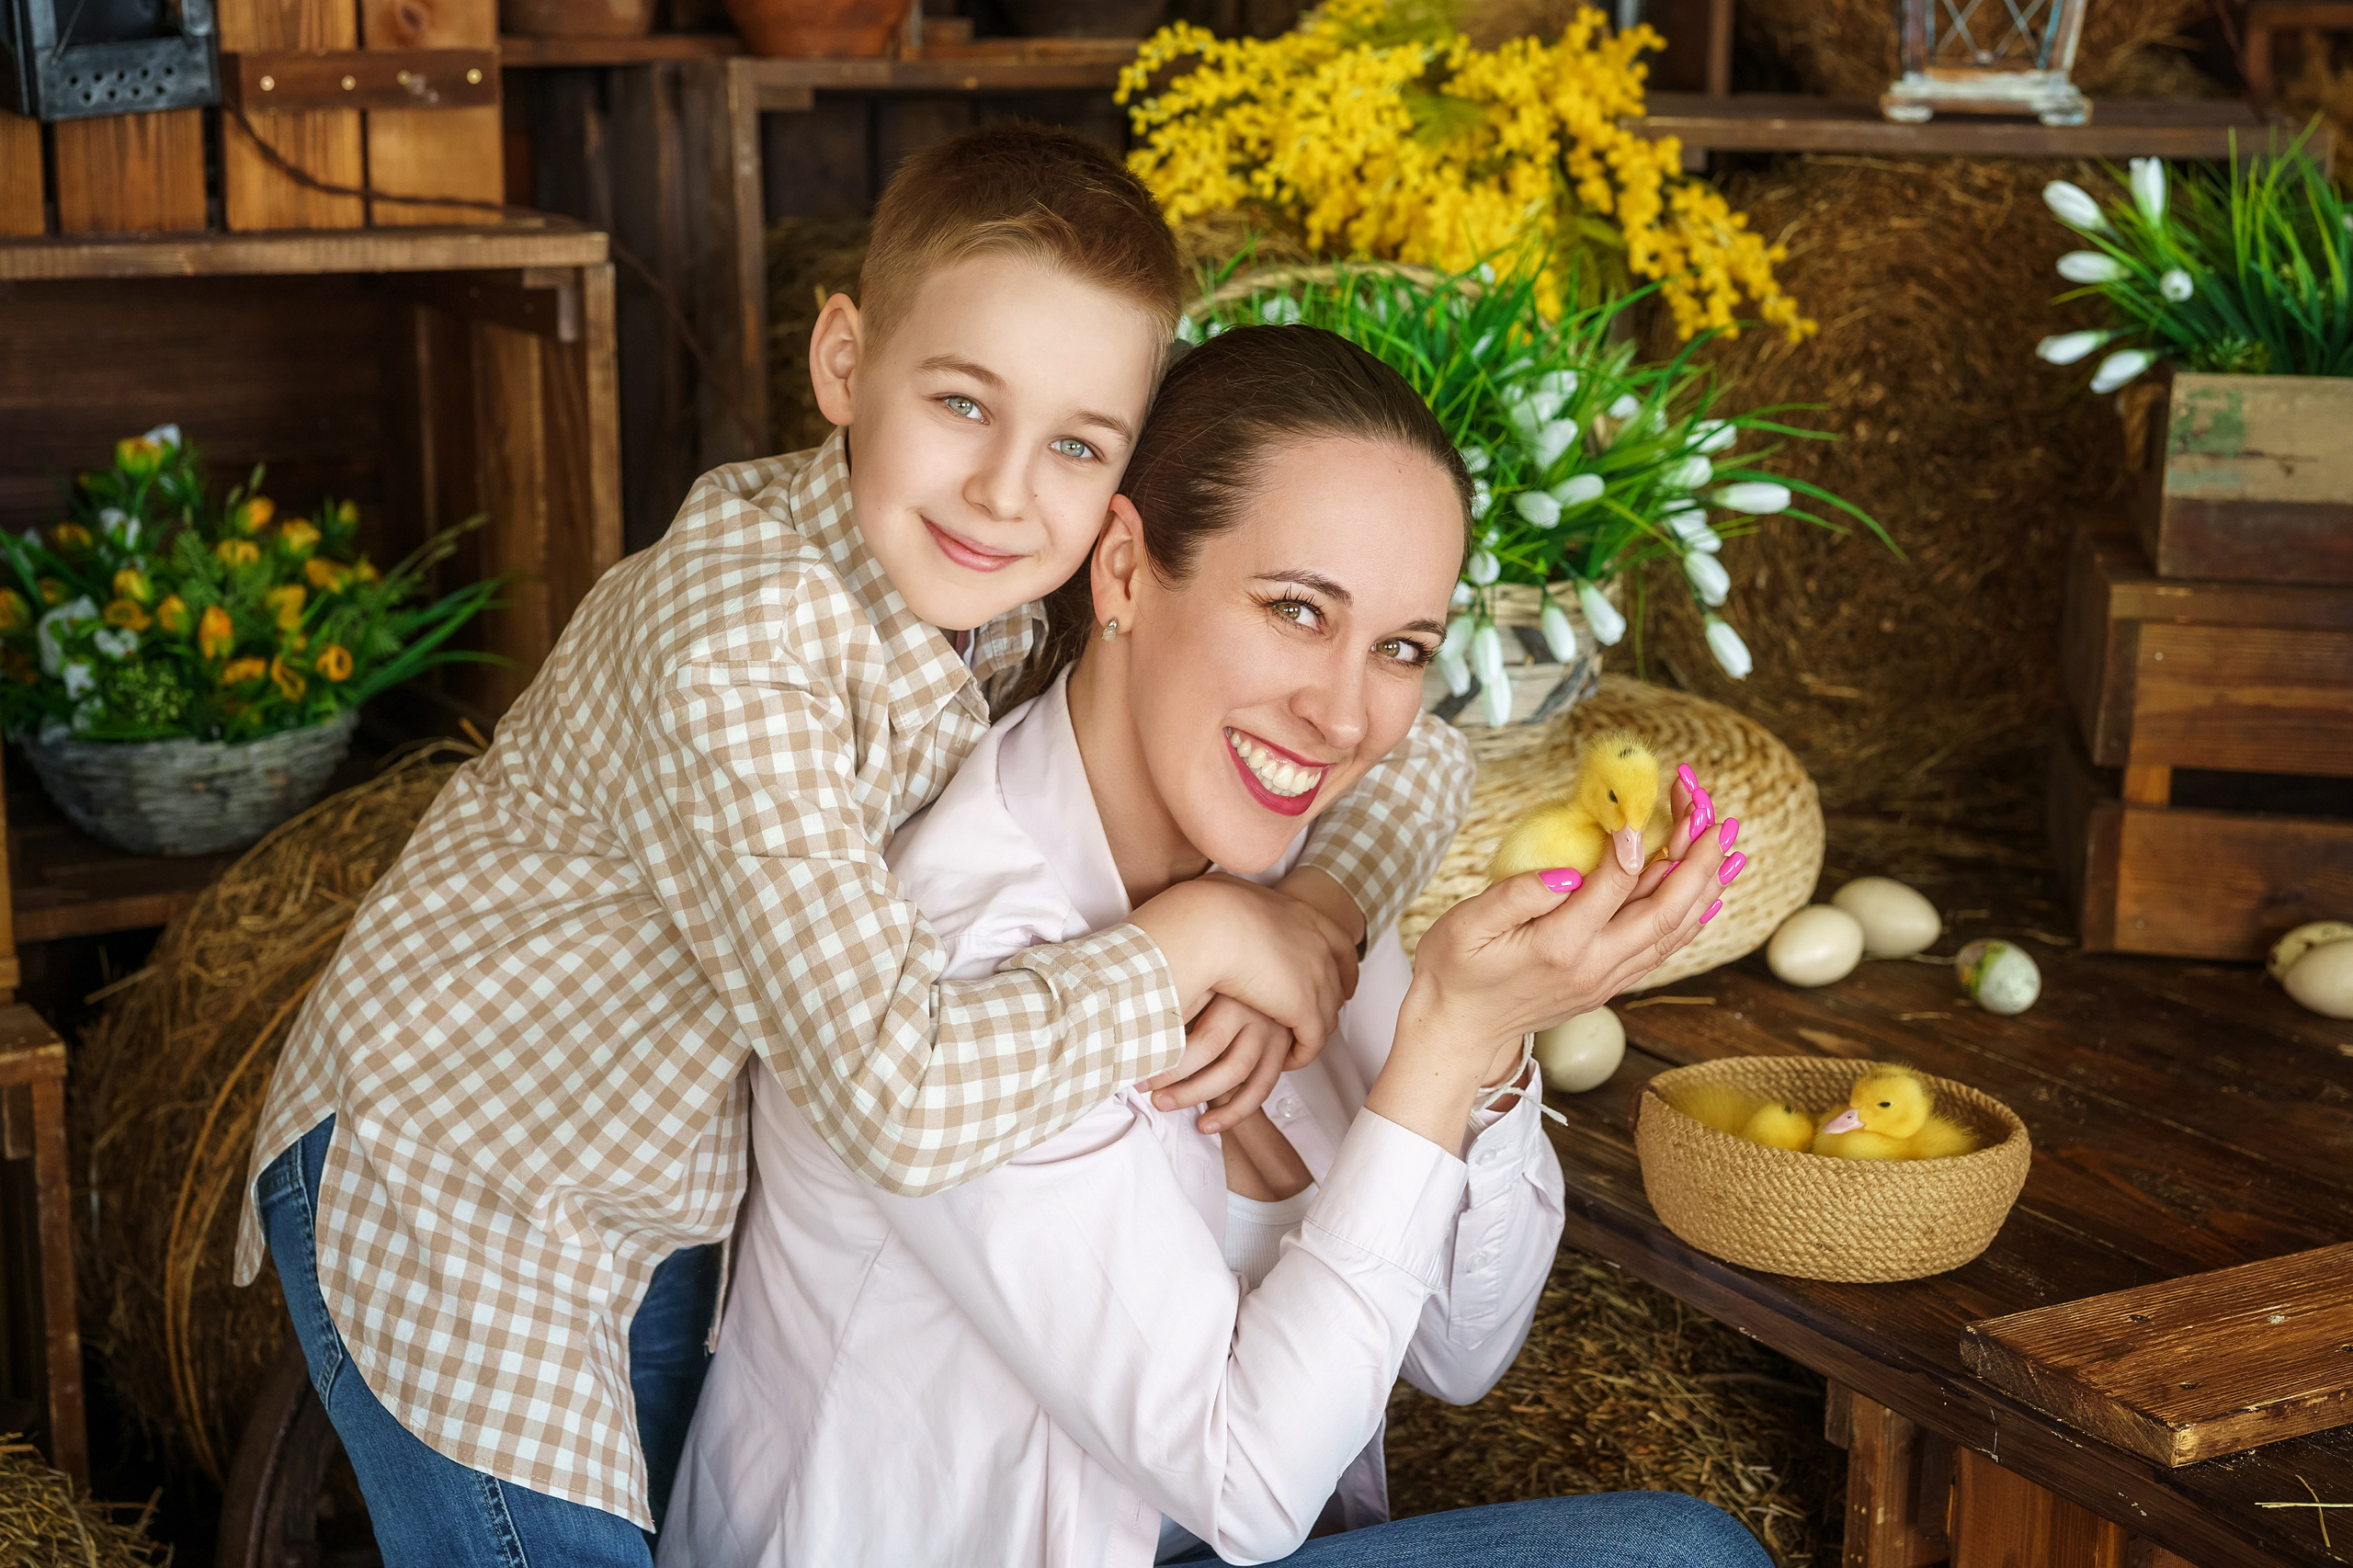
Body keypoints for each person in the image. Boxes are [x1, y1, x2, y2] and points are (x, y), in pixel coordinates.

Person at [237, 124, 1485, 1565]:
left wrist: (1316, 899)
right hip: (471, 1165)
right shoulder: (736, 646)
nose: (1007, 489)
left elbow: (1423, 754)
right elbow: (891, 1096)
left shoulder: (1003, 582)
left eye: (1077, 443)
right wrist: (1201, 935)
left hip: (662, 1187)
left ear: (1121, 493)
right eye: (962, 402)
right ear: (843, 364)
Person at [661, 325, 1762, 1567]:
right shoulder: (963, 962)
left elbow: (1461, 1348)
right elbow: (1246, 1486)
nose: (1347, 715)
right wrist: (1442, 1041)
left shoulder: (1301, 874)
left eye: (1402, 647)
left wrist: (1489, 1040)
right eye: (1298, 609)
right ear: (1124, 569)